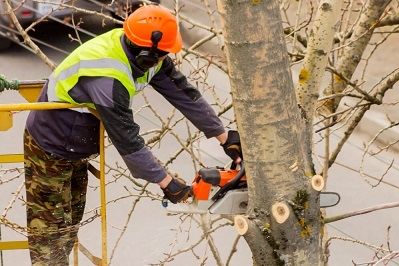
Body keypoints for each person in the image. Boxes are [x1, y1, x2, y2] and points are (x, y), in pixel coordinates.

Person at [23, 4, 242, 266]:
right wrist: (165, 182)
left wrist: (224, 136)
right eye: (160, 56)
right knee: (50, 233)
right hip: (51, 144)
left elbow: (183, 93)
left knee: (69, 225)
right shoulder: (108, 77)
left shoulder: (146, 54)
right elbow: (127, 138)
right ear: (146, 54)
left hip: (76, 143)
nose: (164, 60)